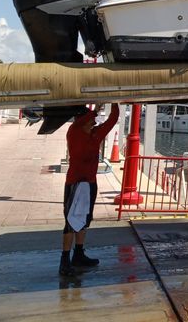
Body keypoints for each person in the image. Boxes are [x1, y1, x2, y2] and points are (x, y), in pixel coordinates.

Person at [59, 103, 120, 276]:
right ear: (83, 119)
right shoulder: (74, 132)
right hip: (74, 184)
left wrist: (114, 101)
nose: (94, 121)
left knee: (85, 219)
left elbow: (112, 119)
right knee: (71, 221)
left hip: (89, 184)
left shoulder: (95, 134)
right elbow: (80, 122)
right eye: (91, 118)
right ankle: (64, 260)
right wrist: (95, 109)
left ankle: (78, 254)